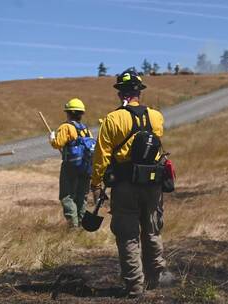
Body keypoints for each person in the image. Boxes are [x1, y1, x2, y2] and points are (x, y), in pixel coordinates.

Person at [90, 68, 166, 298]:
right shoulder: (156, 116)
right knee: (152, 230)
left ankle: (135, 287)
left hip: (124, 185)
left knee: (128, 235)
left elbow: (101, 155)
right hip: (153, 183)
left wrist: (95, 184)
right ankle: (156, 278)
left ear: (119, 92)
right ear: (139, 92)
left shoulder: (112, 119)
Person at [49, 98, 94, 228]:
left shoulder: (66, 127)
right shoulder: (86, 129)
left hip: (70, 166)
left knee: (66, 196)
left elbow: (57, 143)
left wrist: (52, 138)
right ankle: (81, 223)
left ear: (68, 113)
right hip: (86, 166)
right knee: (82, 195)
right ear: (81, 114)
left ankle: (73, 225)